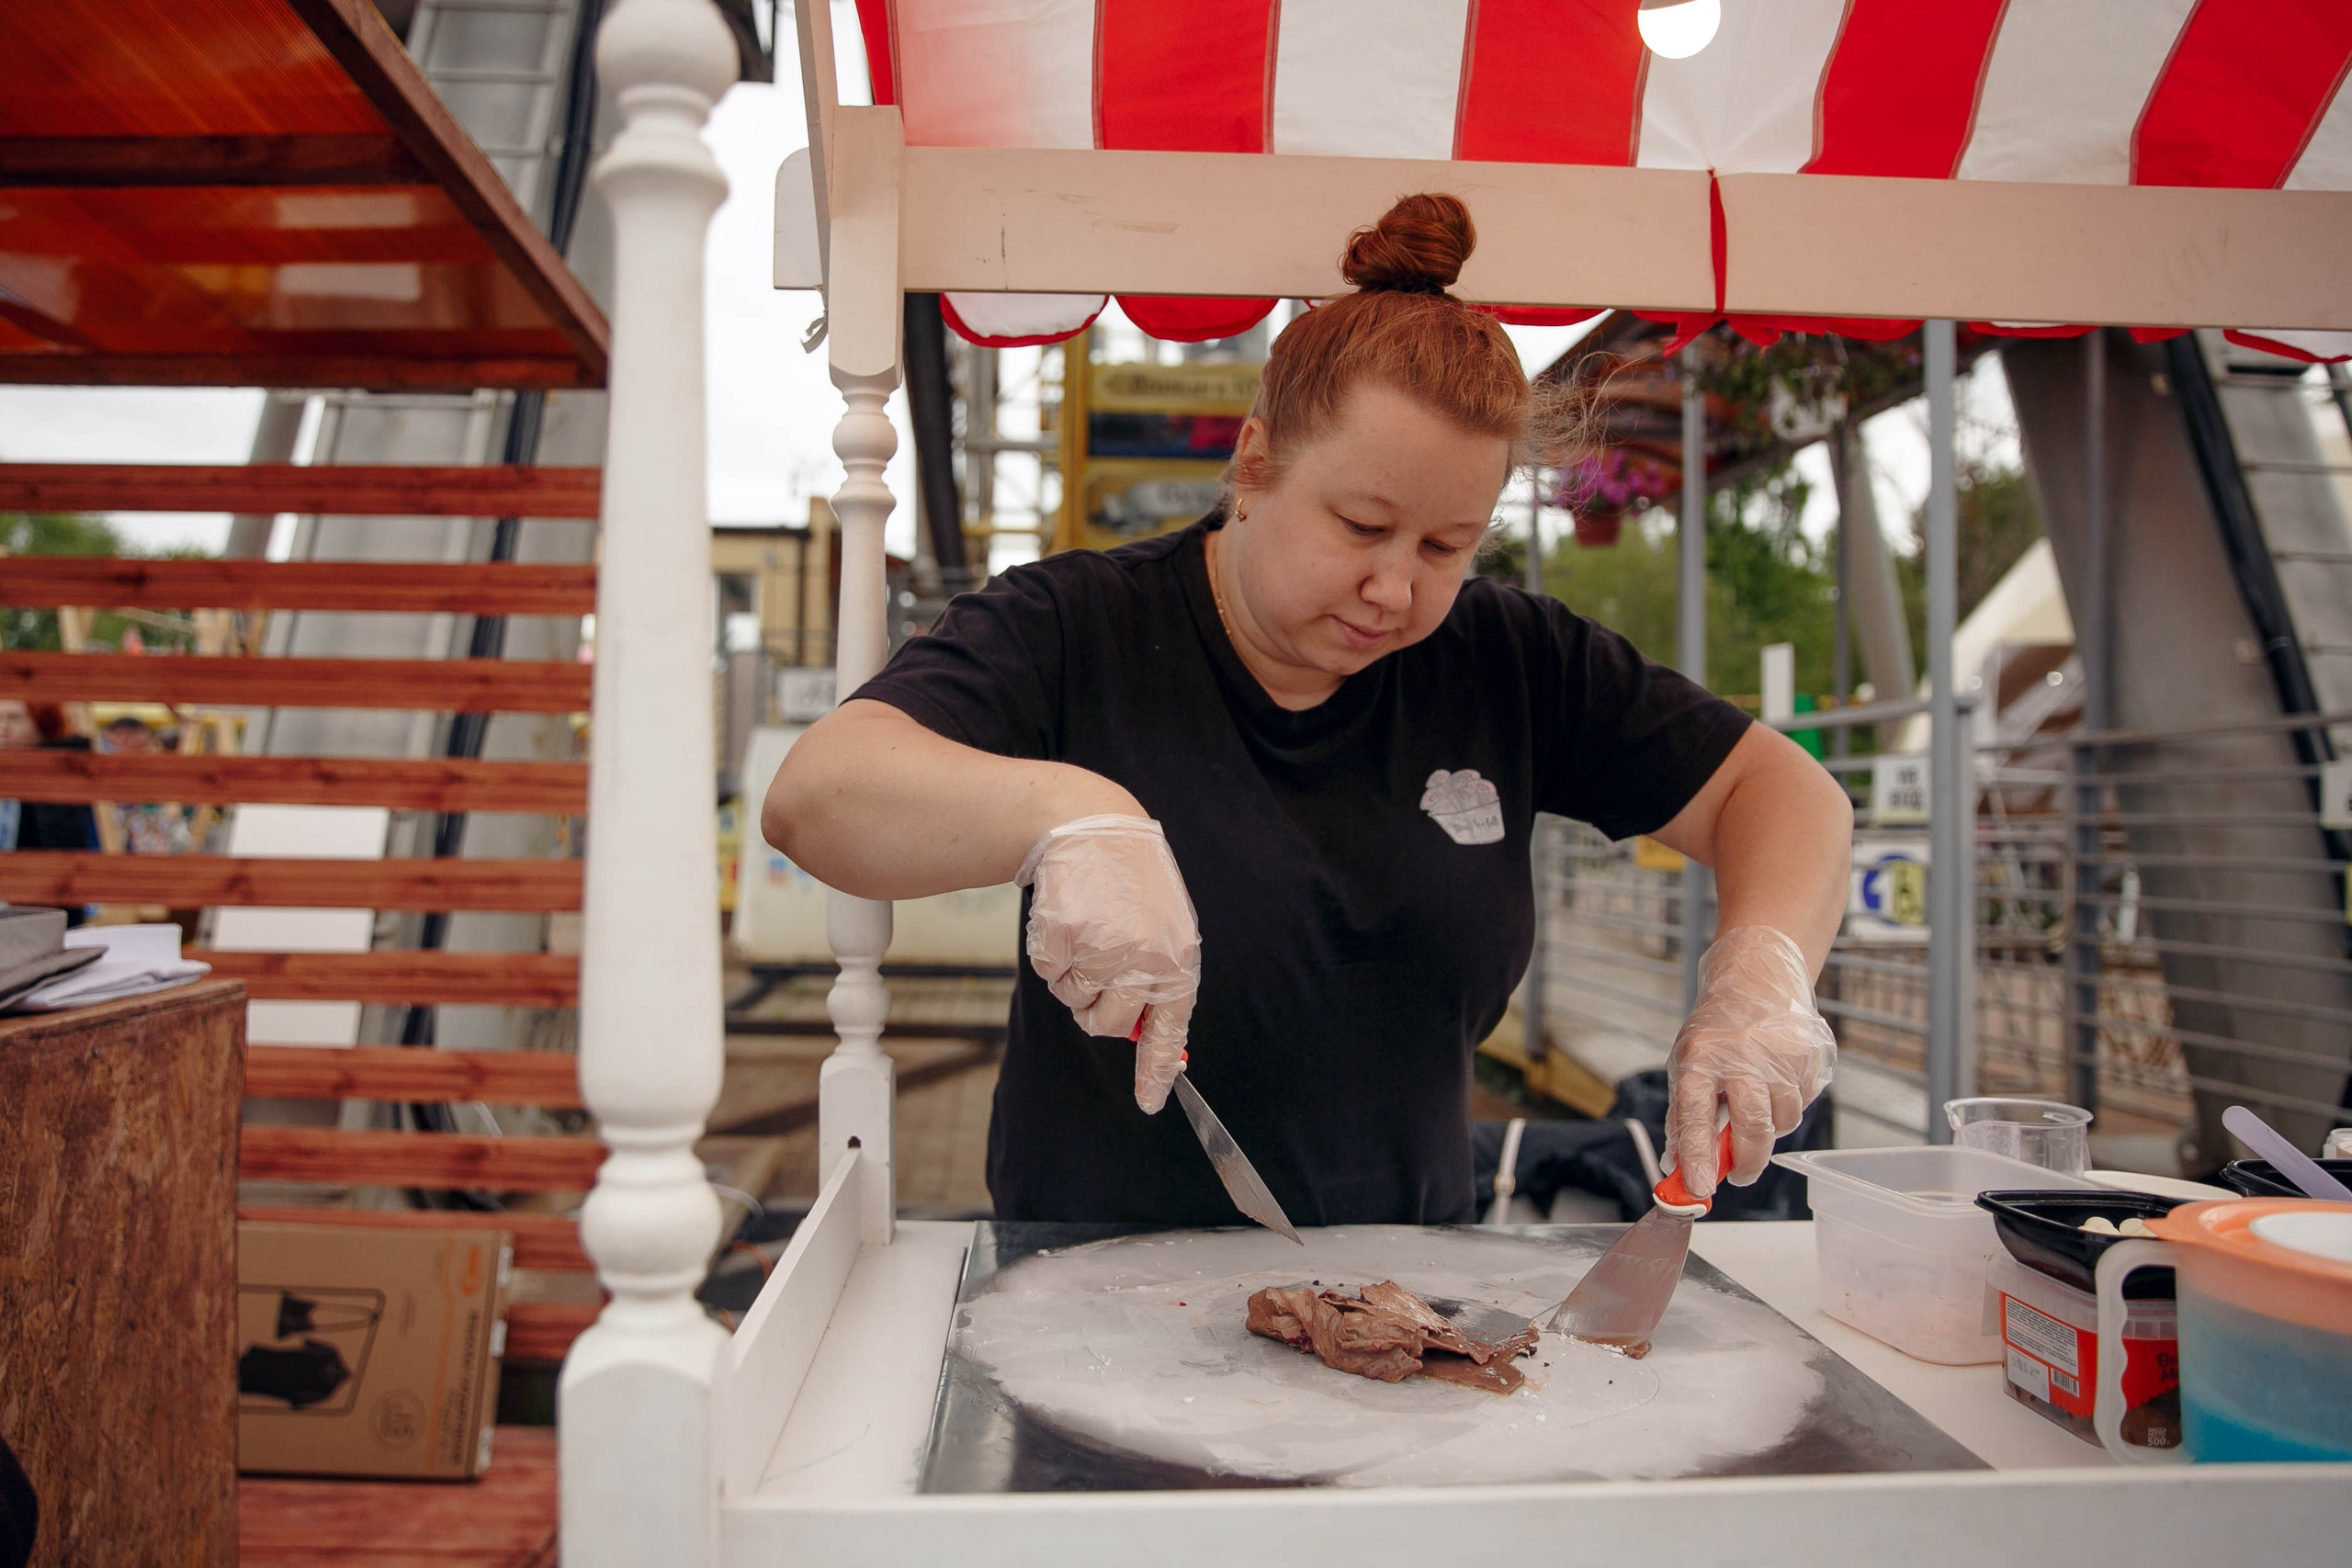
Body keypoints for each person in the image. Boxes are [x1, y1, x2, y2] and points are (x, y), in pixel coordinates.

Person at [764, 194, 1852, 1228]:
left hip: (1409, 1292)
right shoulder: (1077, 625)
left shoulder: (1509, 657)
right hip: (1085, 1290)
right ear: (1255, 459)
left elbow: (1782, 791)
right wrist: (1066, 811)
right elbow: (819, 798)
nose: (1395, 588)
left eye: (1443, 547)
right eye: (1360, 525)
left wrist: (1762, 971)